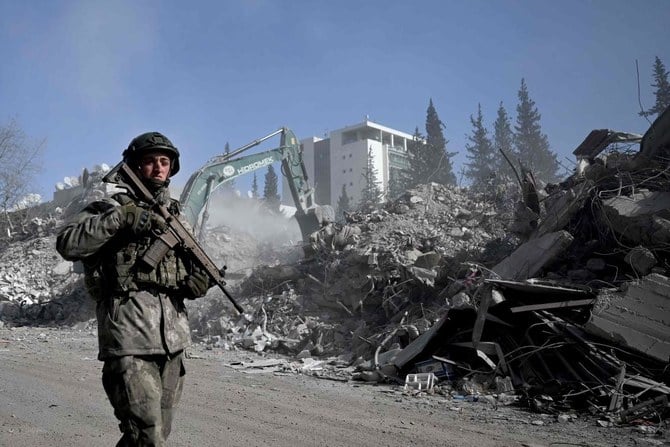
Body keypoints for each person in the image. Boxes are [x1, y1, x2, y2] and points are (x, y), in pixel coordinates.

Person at [56, 131, 213, 446]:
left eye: (164, 162)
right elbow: (69, 244)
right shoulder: (107, 208)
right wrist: (121, 218)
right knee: (146, 435)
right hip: (128, 337)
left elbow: (197, 268)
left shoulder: (178, 218)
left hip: (173, 342)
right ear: (133, 166)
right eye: (150, 161)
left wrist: (199, 282)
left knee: (153, 436)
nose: (158, 168)